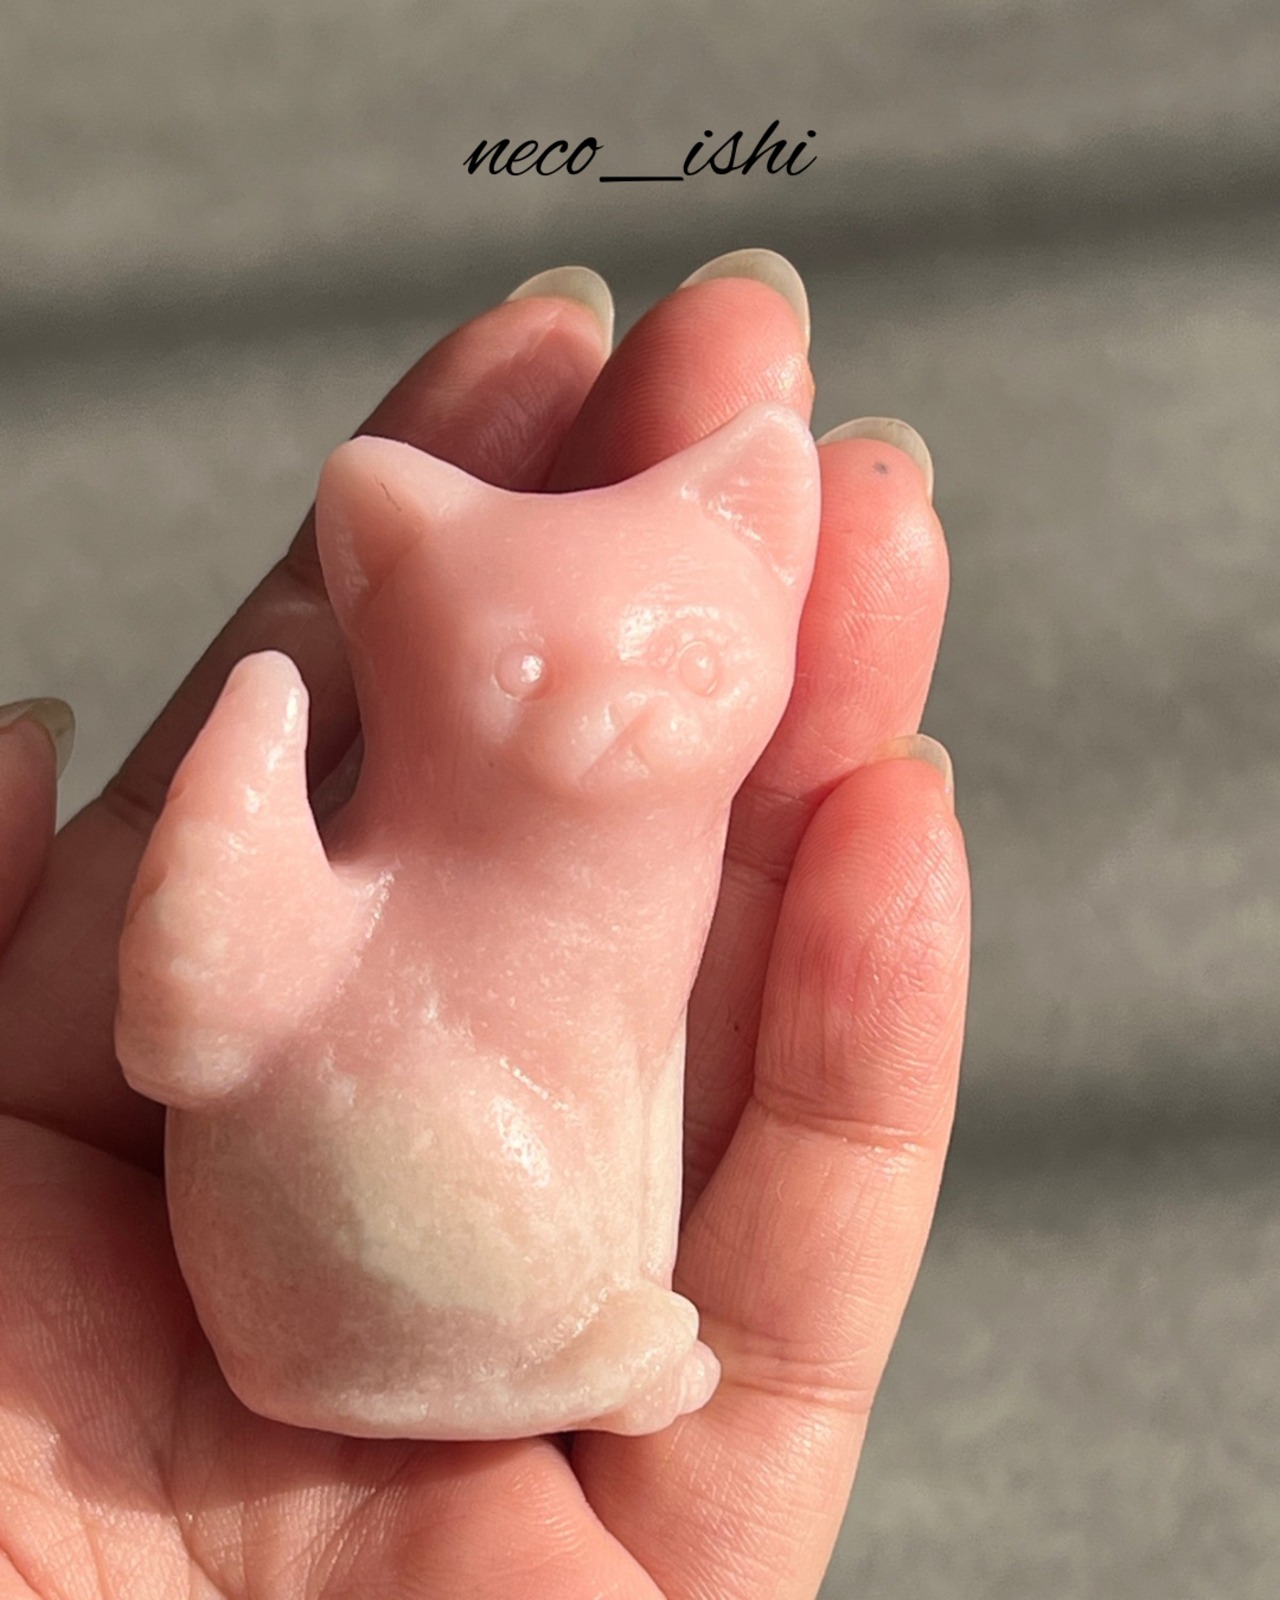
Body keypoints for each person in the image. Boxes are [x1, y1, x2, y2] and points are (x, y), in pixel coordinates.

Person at [0, 249, 970, 1599]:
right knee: (488, 1113)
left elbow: (627, 1078)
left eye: (692, 658)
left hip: (403, 1232)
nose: (627, 710)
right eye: (525, 670)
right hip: (360, 1191)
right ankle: (530, 1341)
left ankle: (566, 1324)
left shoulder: (655, 856)